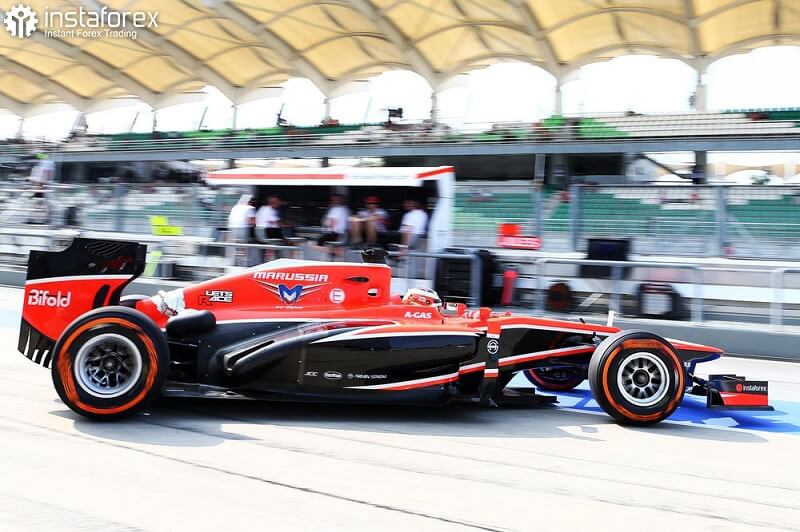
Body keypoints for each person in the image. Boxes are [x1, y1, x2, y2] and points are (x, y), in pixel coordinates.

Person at [227, 194, 255, 266]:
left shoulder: (235, 207)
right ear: (249, 202)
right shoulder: (249, 208)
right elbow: (251, 221)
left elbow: (229, 219)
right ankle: (243, 263)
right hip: (243, 229)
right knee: (244, 246)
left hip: (232, 229)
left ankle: (234, 262)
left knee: (235, 246)